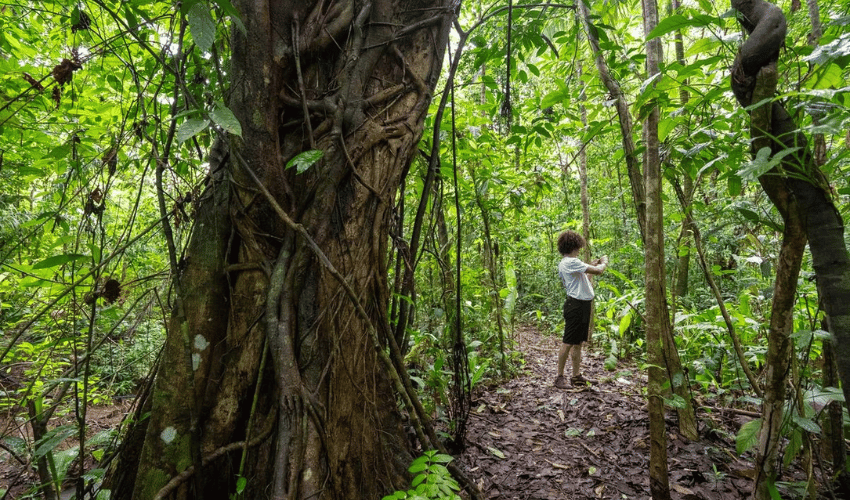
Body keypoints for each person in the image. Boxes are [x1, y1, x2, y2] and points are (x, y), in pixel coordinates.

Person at [554, 230, 608, 389]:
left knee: (577, 343)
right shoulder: (570, 262)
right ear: (573, 246)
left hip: (582, 305)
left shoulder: (572, 263)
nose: (579, 249)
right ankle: (559, 377)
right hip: (575, 306)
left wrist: (593, 265)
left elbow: (587, 282)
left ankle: (576, 376)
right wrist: (604, 262)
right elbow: (598, 272)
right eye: (578, 246)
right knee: (568, 341)